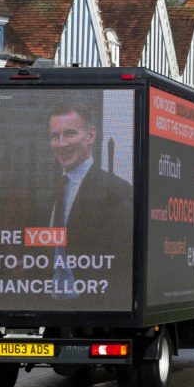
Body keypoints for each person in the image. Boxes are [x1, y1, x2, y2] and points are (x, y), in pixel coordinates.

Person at [46, 101, 132, 300]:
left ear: (91, 135)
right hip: (48, 303)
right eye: (54, 136)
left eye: (69, 134)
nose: (62, 143)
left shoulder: (116, 190)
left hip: (90, 304)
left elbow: (122, 259)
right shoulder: (49, 189)